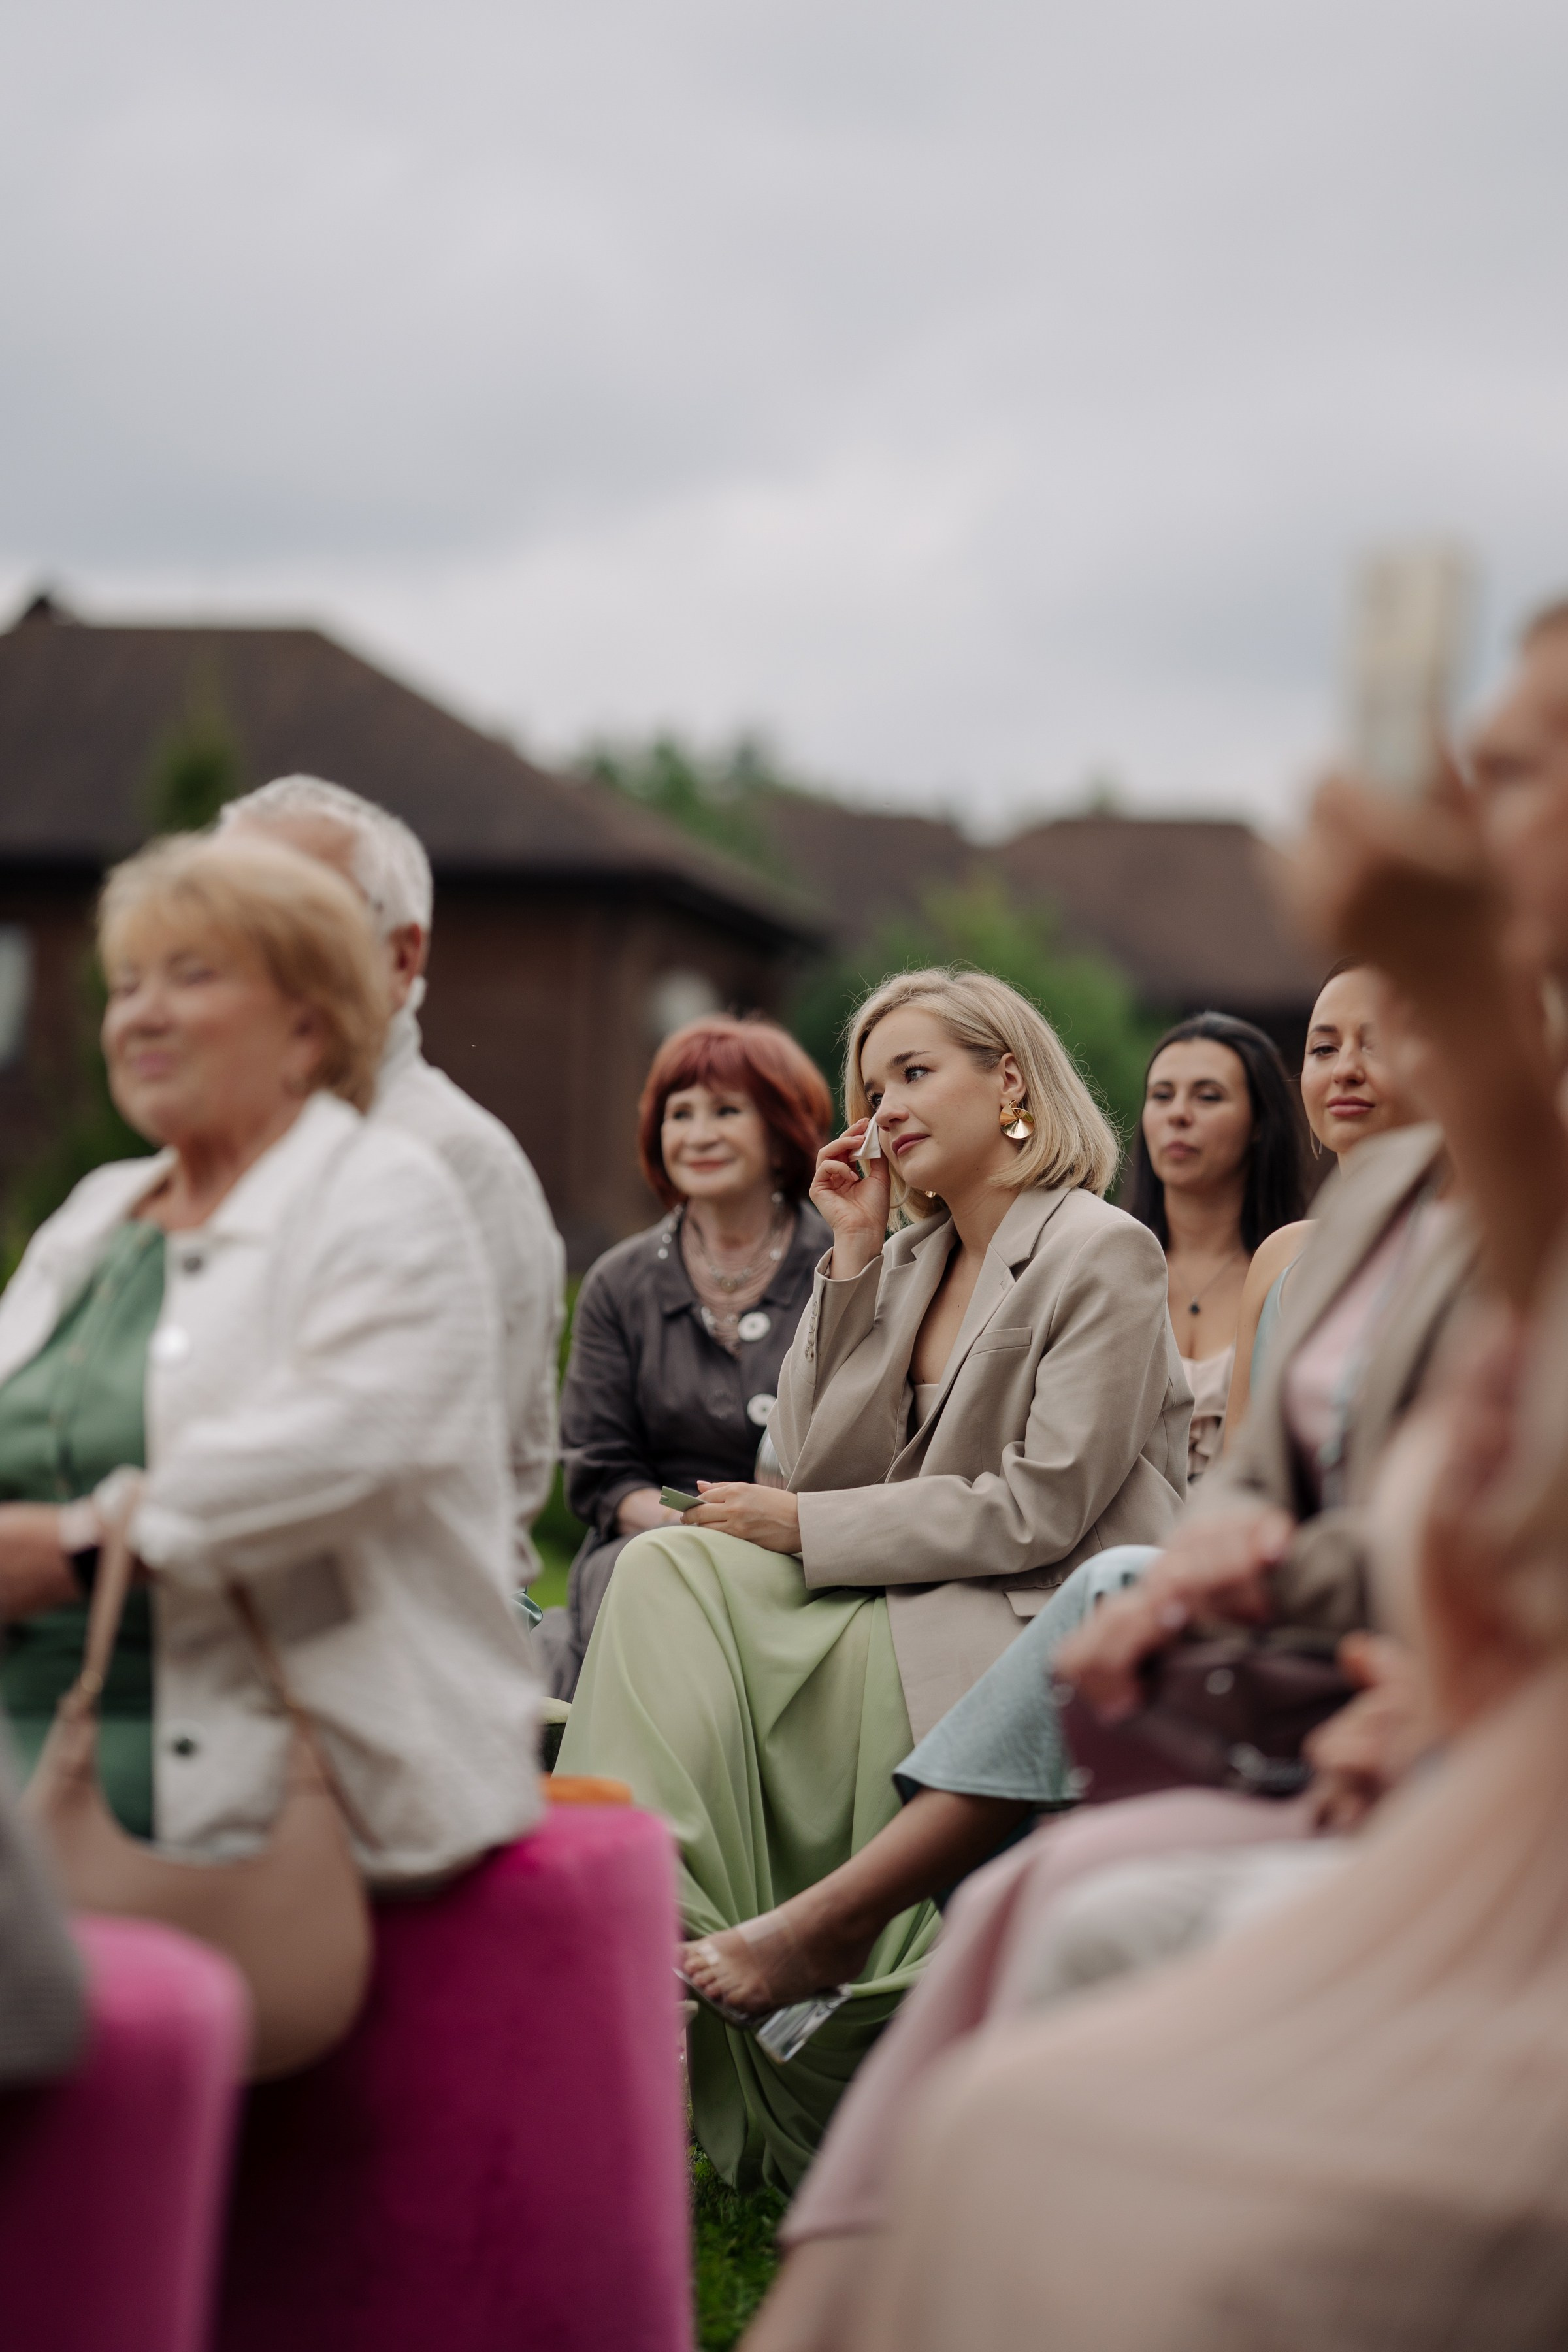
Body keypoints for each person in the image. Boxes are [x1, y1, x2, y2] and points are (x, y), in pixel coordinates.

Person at [560, 966, 1189, 2187]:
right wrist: (848, 1263)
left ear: (1008, 1080)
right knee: (665, 1567)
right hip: (895, 1588)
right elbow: (800, 1464)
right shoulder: (901, 1256)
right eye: (870, 1085)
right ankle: (636, 1936)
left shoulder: (1100, 1252)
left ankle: (657, 1992)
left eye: (914, 1073)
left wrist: (809, 1531)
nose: (885, 1107)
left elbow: (1039, 1506)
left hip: (1025, 1611)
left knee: (703, 1570)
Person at [0, 832, 538, 1880]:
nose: (142, 1013)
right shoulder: (100, 1208)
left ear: (309, 1022)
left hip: (261, 1790)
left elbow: (350, 1439)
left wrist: (80, 1546)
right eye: (126, 984)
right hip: (36, 1741)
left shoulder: (387, 1194)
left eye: (192, 977)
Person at [220, 776, 566, 1586]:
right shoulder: (187, 1163)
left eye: (296, 918)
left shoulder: (457, 1168)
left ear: (401, 958)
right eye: (222, 915)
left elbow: (414, 1477)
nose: (241, 952)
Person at [538, 1017, 832, 1701]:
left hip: (806, 1558)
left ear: (782, 1132)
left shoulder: (847, 1265)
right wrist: (688, 1531)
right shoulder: (619, 1282)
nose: (698, 1134)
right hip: (645, 1548)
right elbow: (600, 1472)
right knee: (650, 1577)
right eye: (679, 1114)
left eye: (726, 1111)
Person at [1224, 958, 1416, 1441]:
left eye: (1375, 1044)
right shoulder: (1277, 1259)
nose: (1346, 1070)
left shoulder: (1472, 1249)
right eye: (1324, 1048)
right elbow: (1237, 1466)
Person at [1126, 1011, 1305, 1479]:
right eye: (1161, 1095)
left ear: (1261, 1122)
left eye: (1208, 1096)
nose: (1178, 1114)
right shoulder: (1103, 1267)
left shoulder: (1296, 1276)